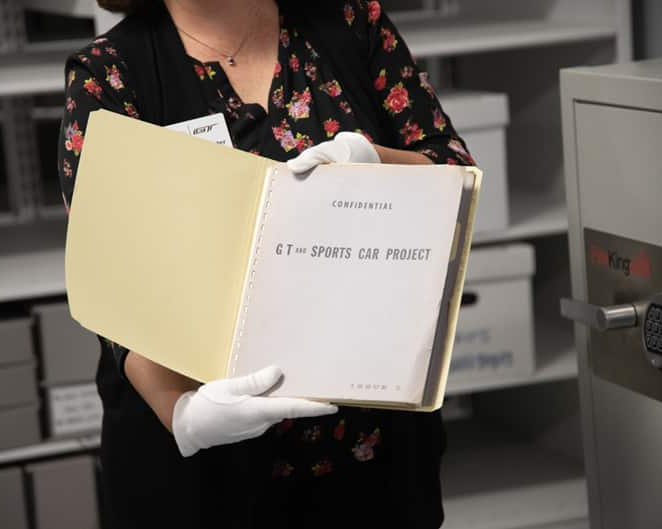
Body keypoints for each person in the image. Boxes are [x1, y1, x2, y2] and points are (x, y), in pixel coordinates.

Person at [58, 1, 475, 527]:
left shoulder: (350, 23)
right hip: (199, 479)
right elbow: (110, 276)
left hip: (375, 451)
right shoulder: (108, 75)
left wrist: (376, 161)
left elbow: (455, 175)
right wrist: (182, 414)